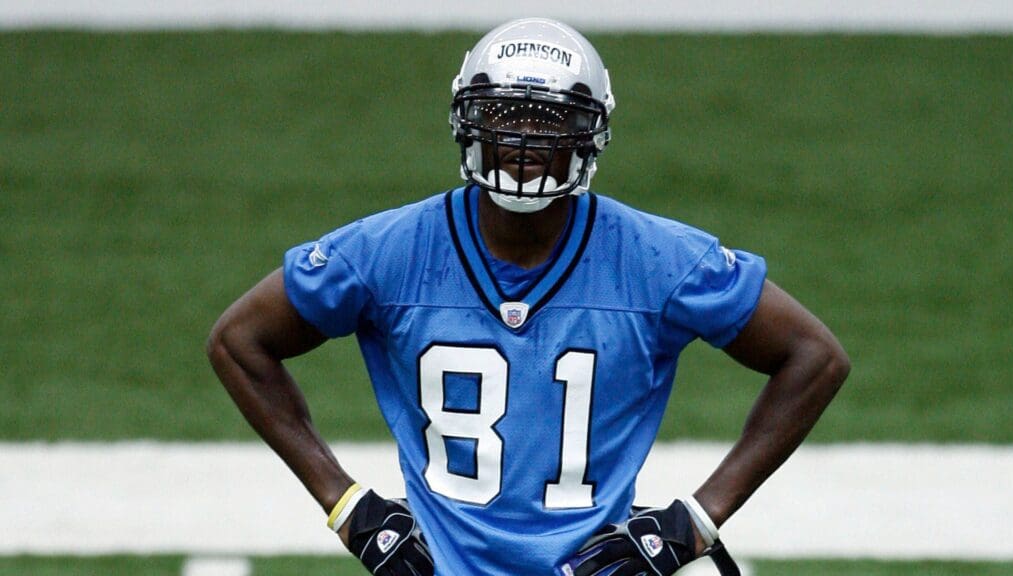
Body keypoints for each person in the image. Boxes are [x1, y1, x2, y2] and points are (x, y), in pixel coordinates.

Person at [207, 17, 850, 576]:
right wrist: (346, 505)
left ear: (588, 135)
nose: (522, 144)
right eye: (506, 117)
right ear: (470, 121)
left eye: (548, 123)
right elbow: (239, 342)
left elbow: (814, 357)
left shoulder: (657, 261)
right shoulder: (391, 251)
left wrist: (696, 521)